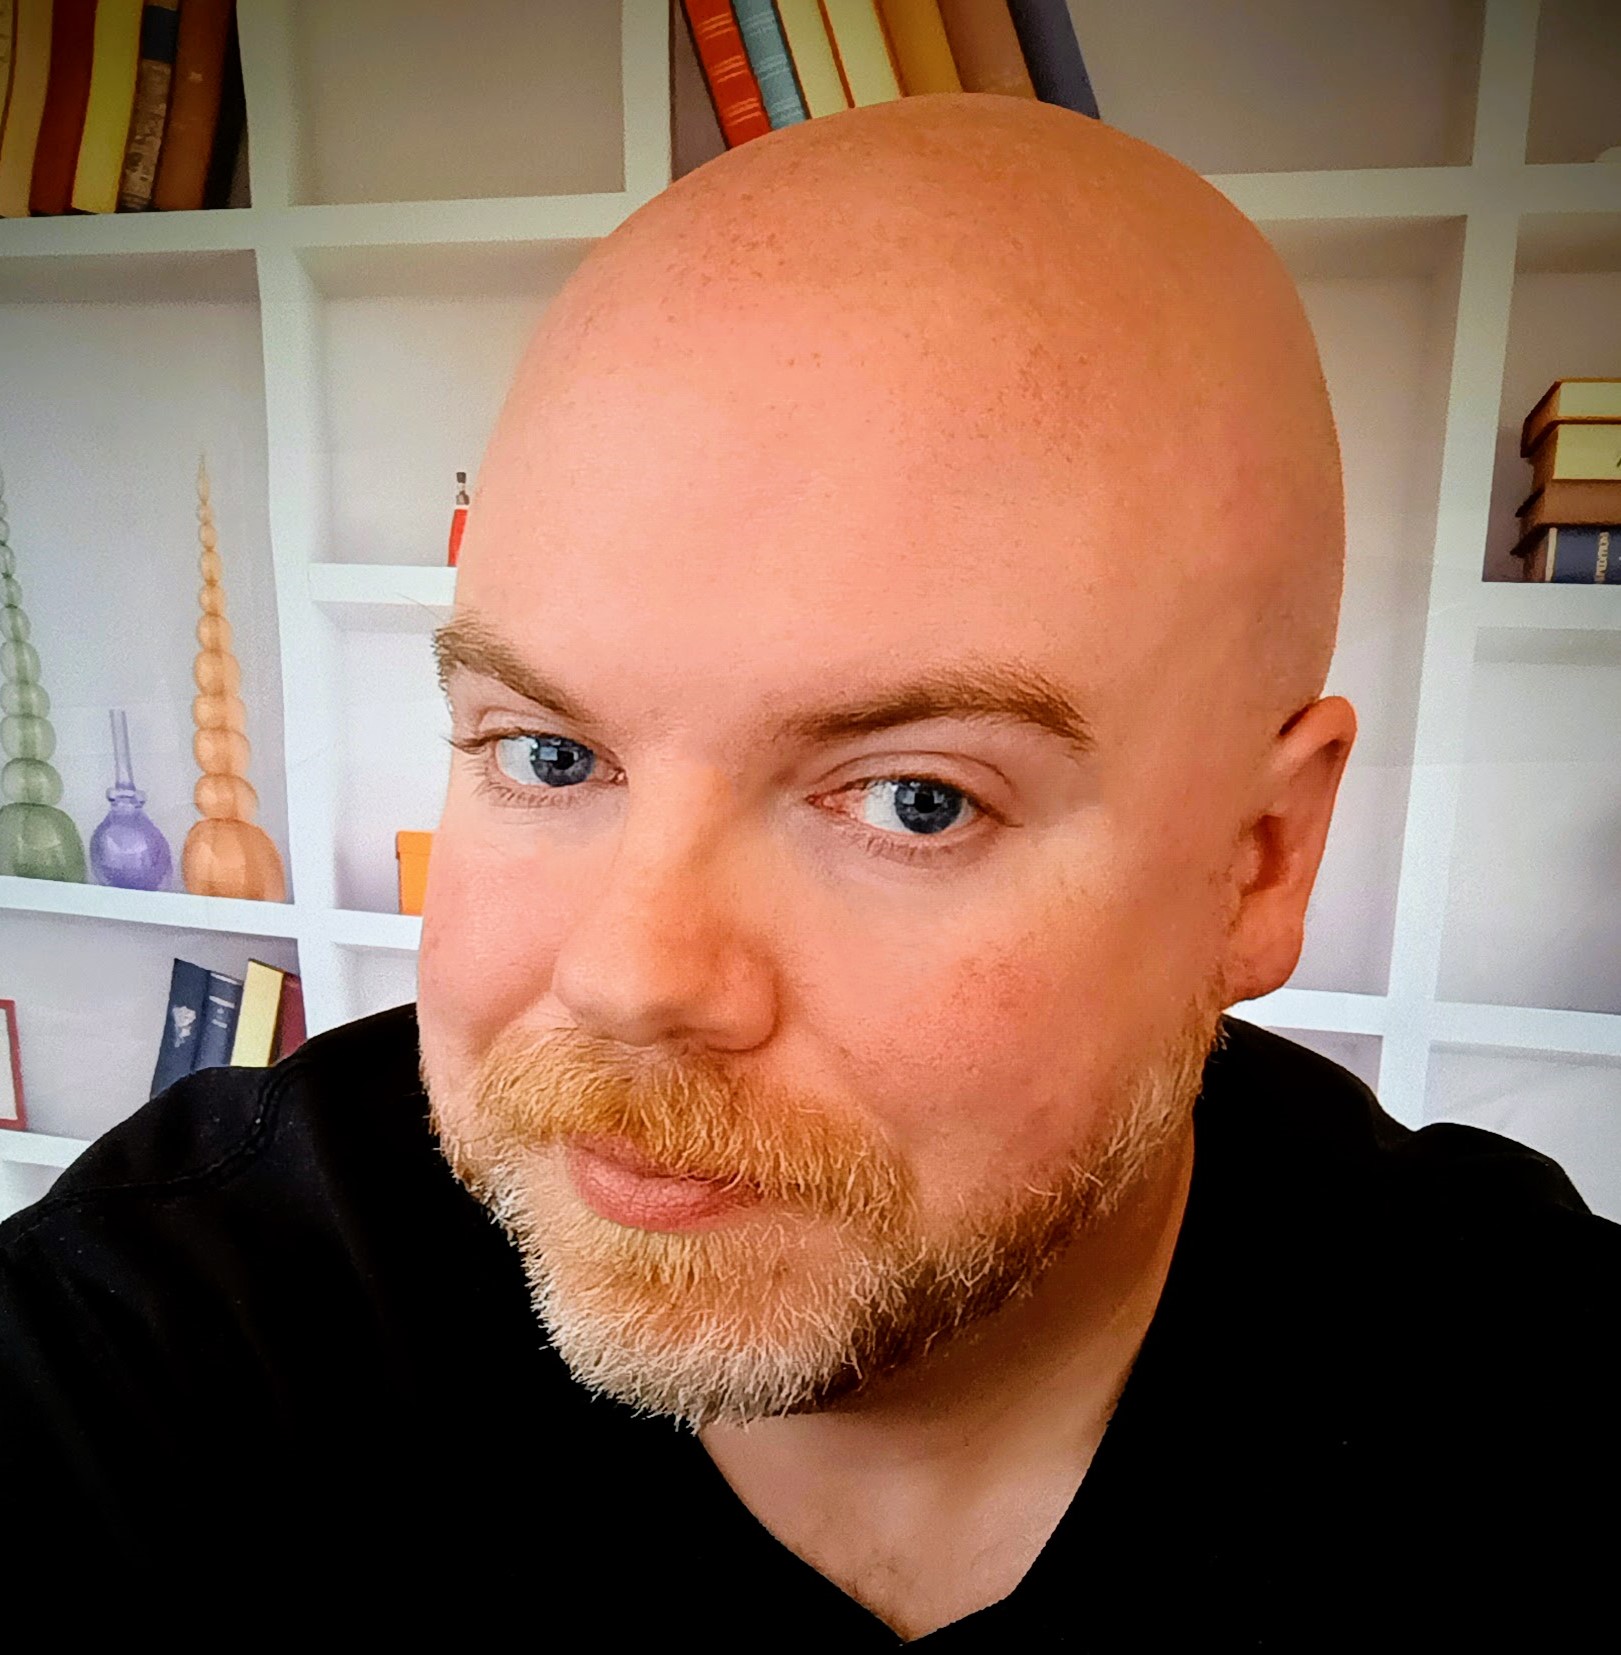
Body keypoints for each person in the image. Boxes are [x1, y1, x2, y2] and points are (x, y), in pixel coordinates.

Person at [2, 94, 1615, 1643]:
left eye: (915, 799)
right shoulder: (168, 1343)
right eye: (549, 756)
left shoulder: (1524, 1404)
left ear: (1259, 862)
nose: (628, 979)